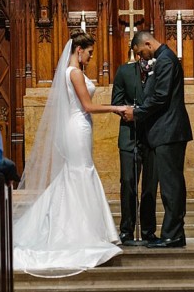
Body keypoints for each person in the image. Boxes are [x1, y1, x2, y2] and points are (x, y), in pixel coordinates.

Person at [13, 33, 128, 275]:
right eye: (89, 52)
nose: (90, 56)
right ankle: (79, 230)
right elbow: (87, 106)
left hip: (79, 125)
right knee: (80, 173)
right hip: (78, 125)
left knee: (76, 174)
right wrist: (116, 108)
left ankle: (79, 225)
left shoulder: (73, 72)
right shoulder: (74, 73)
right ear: (78, 50)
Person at [123, 30, 193, 248]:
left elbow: (161, 96)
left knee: (171, 185)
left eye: (140, 52)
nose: (140, 57)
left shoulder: (165, 61)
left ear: (147, 43)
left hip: (169, 131)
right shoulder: (163, 59)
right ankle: (173, 233)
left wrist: (137, 113)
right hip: (166, 131)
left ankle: (173, 234)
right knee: (171, 184)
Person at [111, 54, 155, 245]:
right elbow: (116, 101)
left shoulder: (161, 71)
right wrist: (129, 111)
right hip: (130, 134)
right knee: (128, 183)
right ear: (138, 55)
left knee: (150, 186)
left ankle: (148, 231)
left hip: (153, 135)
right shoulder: (124, 71)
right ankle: (127, 230)